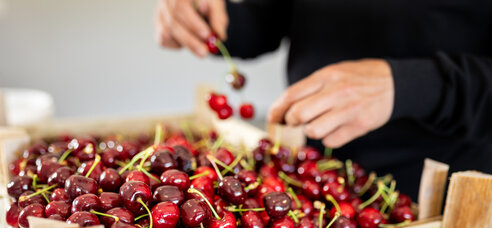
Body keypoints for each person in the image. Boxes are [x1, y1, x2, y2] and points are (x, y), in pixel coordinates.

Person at [154, 0, 492, 200]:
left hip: (441, 193)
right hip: (305, 176)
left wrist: (408, 85)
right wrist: (209, 18)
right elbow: (278, 15)